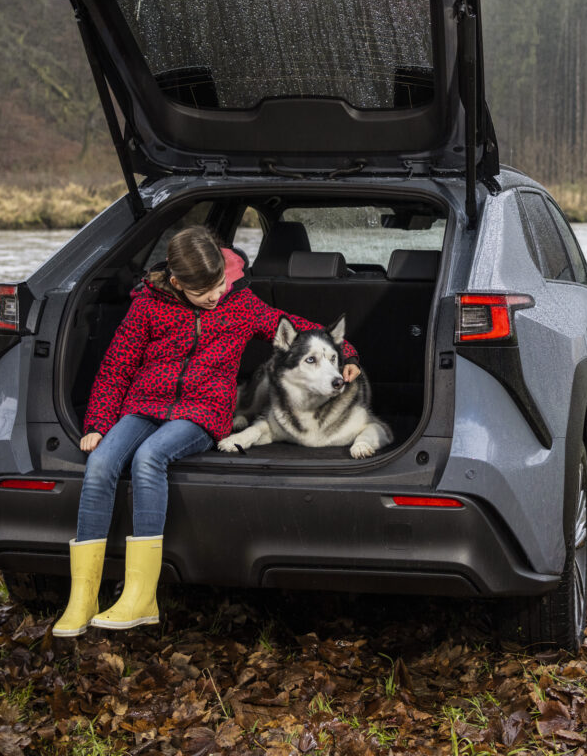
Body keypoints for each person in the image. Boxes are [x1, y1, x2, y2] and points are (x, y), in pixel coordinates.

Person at [53, 226, 359, 637]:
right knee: (101, 463)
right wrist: (97, 424)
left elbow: (299, 333)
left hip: (201, 412)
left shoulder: (240, 304)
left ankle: (141, 596)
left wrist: (347, 354)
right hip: (145, 404)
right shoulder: (147, 306)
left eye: (219, 283)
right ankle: (82, 597)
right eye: (204, 291)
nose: (216, 295)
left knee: (149, 459)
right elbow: (116, 368)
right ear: (177, 283)